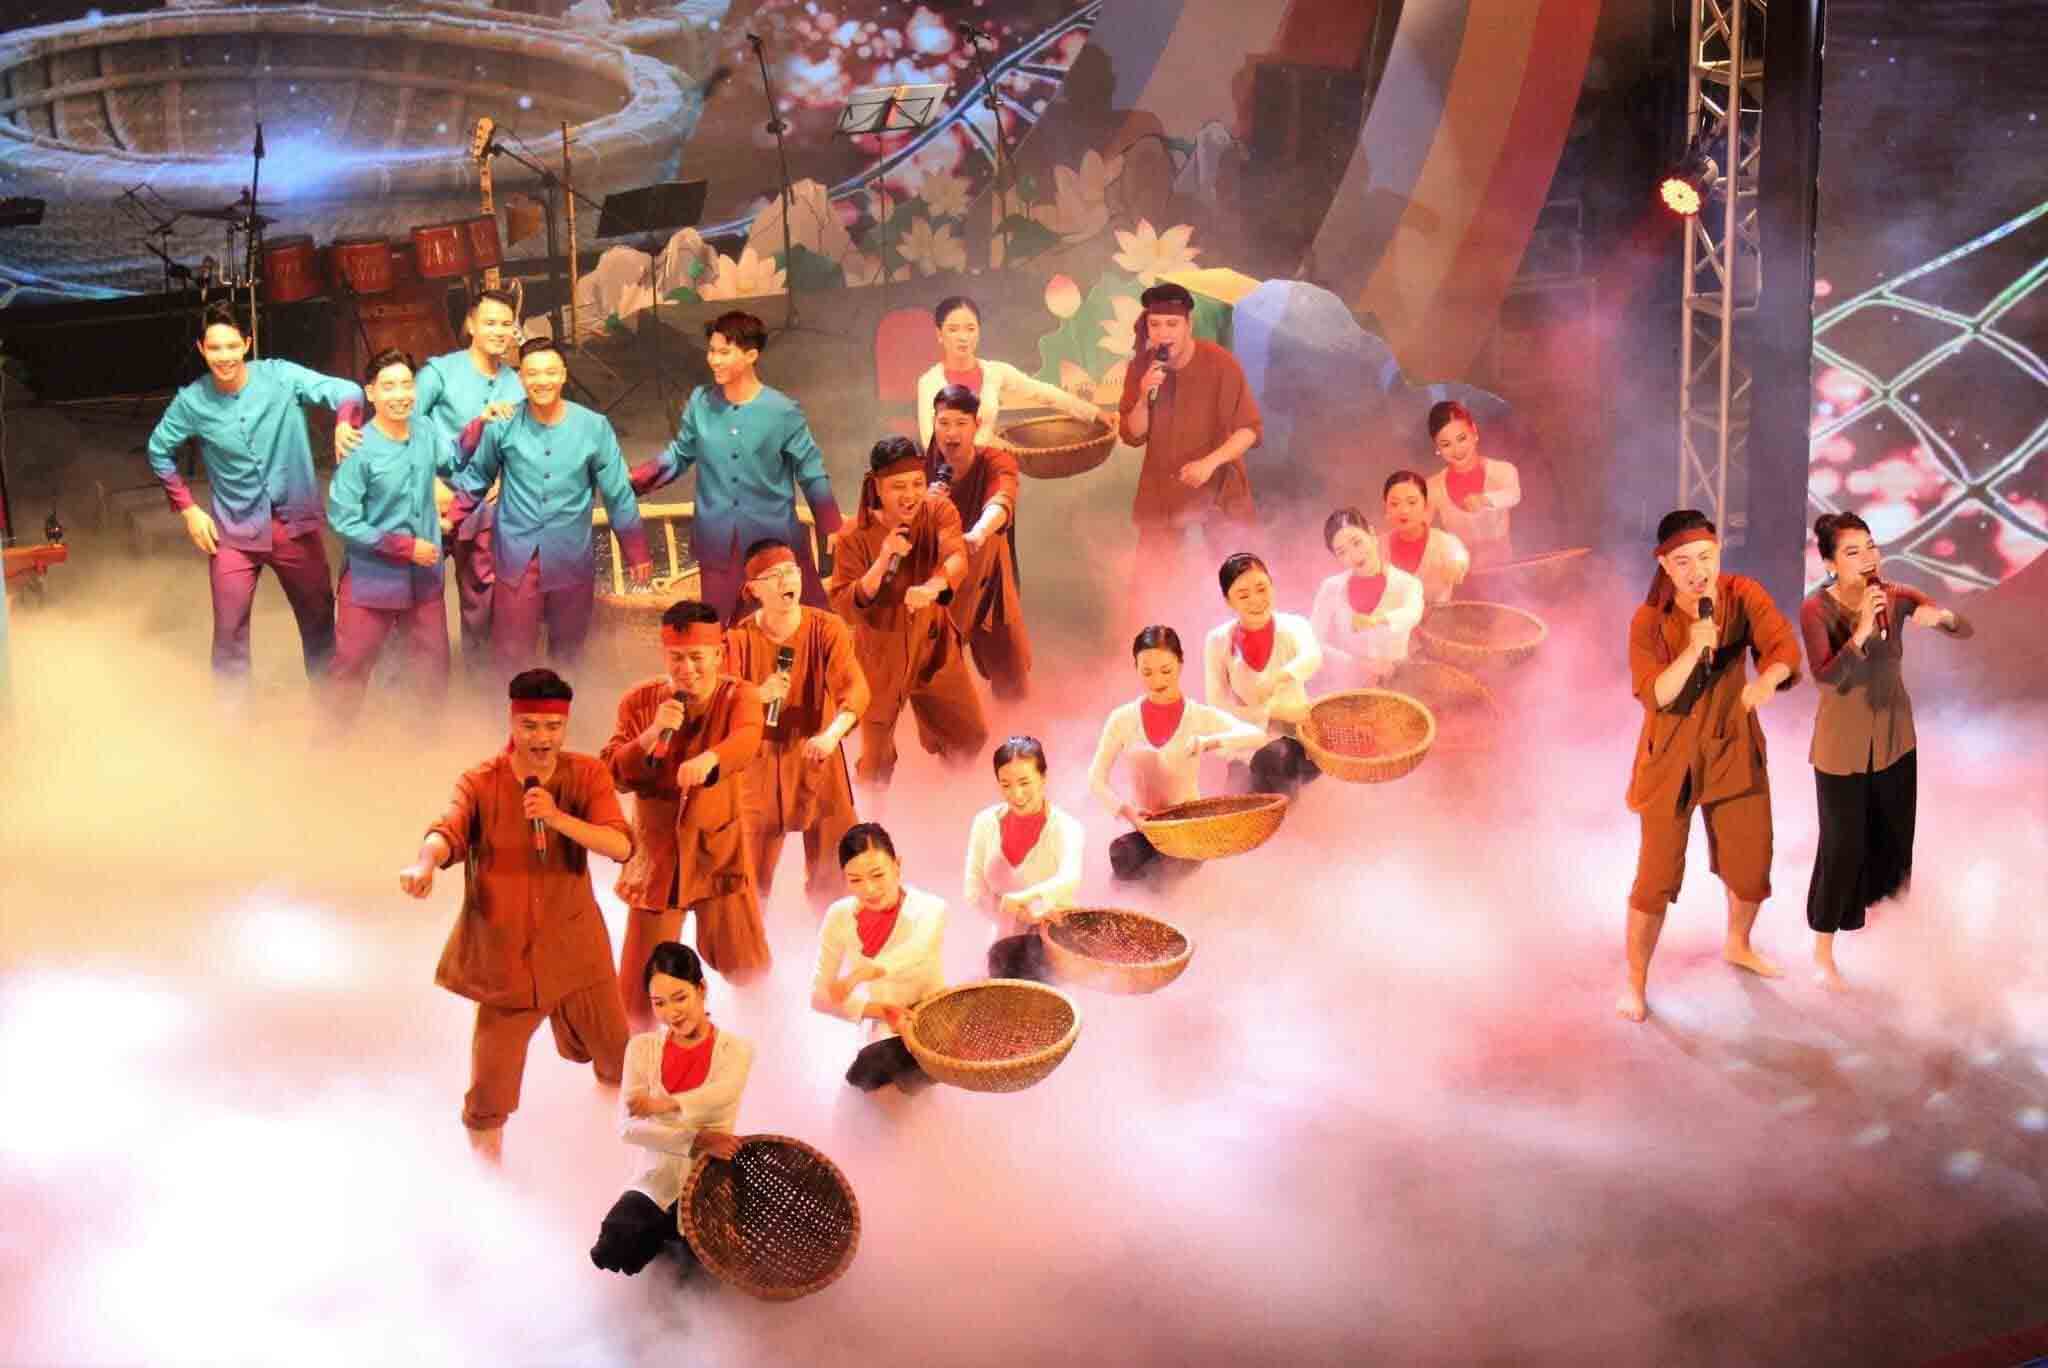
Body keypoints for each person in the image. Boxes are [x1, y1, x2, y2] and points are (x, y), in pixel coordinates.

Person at [398, 668, 633, 1161]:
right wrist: (424, 864)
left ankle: (606, 1156)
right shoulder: (480, 781)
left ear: (565, 725)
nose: (541, 738)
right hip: (505, 960)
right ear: (512, 722)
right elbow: (447, 830)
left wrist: (557, 818)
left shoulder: (587, 775)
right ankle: (488, 1183)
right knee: (489, 1094)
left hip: (577, 951)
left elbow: (620, 845)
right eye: (530, 726)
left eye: (552, 727)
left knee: (620, 1062)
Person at [1619, 510, 1802, 1024]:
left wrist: (1767, 681)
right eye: (1683, 561)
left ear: (1719, 551)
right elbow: (1655, 693)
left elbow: (1782, 645)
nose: (1697, 571)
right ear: (1664, 564)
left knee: (1751, 866)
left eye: (1705, 557)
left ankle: (1738, 943)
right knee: (1654, 880)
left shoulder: (1742, 595)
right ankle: (1635, 982)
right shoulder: (1648, 619)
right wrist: (1694, 649)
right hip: (1669, 759)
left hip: (1732, 747)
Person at [144, 301, 363, 677]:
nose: (224, 356)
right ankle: (233, 715)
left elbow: (349, 391)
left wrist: (343, 422)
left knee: (319, 623)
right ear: (201, 349)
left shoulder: (280, 376)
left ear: (247, 343)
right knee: (228, 634)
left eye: (232, 346)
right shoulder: (192, 401)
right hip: (233, 532)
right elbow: (158, 450)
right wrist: (189, 510)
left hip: (295, 526)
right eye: (215, 348)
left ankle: (329, 709)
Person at [1800, 512, 1969, 990]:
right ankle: (1823, 952)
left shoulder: (1895, 597)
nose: (1867, 558)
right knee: (1842, 846)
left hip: (1895, 739)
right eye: (1852, 551)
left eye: (1870, 547)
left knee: (1895, 841)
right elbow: (1827, 678)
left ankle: (1893, 945)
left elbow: (1960, 627)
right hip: (1842, 744)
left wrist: (1943, 618)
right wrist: (1858, 632)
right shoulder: (1815, 609)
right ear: (1830, 563)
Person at [337, 288, 525, 666]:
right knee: (401, 586)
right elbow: (401, 421)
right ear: (470, 324)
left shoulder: (516, 383)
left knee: (482, 594)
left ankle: (476, 675)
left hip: (482, 503)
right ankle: (396, 676)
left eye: (506, 324)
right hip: (427, 496)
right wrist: (430, 483)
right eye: (489, 322)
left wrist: (505, 478)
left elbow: (519, 443)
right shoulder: (439, 372)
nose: (498, 331)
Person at [602, 600, 768, 1019]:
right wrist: (651, 734)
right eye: (676, 658)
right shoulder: (639, 701)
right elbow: (613, 773)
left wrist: (710, 760)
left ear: (718, 654)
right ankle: (636, 1054)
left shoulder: (739, 696)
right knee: (638, 992)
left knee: (748, 967)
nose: (687, 668)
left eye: (697, 657)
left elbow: (747, 739)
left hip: (718, 855)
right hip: (656, 860)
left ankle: (769, 1034)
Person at [446, 337, 651, 672]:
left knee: (569, 655)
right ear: (521, 378)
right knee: (511, 655)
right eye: (532, 374)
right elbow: (476, 479)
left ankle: (566, 703)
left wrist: (636, 550)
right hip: (516, 557)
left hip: (571, 557)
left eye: (550, 372)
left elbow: (618, 493)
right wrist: (449, 521)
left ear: (564, 374)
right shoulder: (503, 425)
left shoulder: (594, 427)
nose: (542, 381)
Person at [629, 311, 845, 620]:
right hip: (717, 542)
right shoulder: (700, 403)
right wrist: (632, 481)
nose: (714, 360)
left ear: (751, 355)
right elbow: (679, 455)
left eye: (724, 352)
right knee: (722, 628)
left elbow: (811, 473)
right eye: (711, 351)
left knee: (797, 623)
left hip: (774, 542)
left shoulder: (783, 411)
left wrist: (831, 524)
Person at [826, 437, 989, 787]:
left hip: (933, 642)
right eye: (898, 486)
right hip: (880, 651)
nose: (911, 495)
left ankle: (950, 798)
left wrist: (934, 585)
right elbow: (844, 603)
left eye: (917, 483)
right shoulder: (853, 535)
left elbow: (956, 556)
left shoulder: (938, 510)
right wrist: (884, 558)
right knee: (876, 759)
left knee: (969, 734)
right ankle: (873, 815)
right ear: (877, 487)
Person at [590, 942, 752, 1280]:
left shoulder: (736, 1050)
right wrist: (697, 1140)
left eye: (680, 998)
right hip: (655, 1182)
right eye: (659, 1003)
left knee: (697, 1281)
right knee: (613, 1247)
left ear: (701, 989)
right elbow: (628, 1127)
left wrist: (665, 1104)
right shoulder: (642, 1049)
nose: (671, 1013)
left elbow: (720, 1094)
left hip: (708, 1187)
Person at [725, 539, 869, 905]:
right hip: (757, 765)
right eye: (773, 575)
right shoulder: (738, 639)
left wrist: (832, 735)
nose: (786, 581)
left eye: (791, 571)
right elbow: (719, 702)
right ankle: (752, 939)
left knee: (834, 870)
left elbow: (854, 688)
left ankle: (834, 931)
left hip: (817, 754)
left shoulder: (826, 628)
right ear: (753, 590)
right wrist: (757, 696)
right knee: (748, 879)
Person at [323, 349, 451, 718]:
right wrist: (404, 547)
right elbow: (343, 519)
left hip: (424, 579)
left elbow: (453, 460)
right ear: (371, 392)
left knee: (433, 670)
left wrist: (483, 424)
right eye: (389, 386)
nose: (400, 394)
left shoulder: (425, 430)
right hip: (372, 580)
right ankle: (333, 742)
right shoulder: (358, 448)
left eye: (407, 385)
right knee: (351, 668)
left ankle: (425, 740)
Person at [1088, 625, 1267, 883]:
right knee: (1122, 855)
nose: (1157, 681)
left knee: (1165, 871)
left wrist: (1208, 743)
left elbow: (1256, 735)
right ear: (1135, 668)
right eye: (1147, 672)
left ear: (1180, 665)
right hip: (1147, 830)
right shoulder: (1122, 718)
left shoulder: (1198, 716)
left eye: (1166, 671)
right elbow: (1095, 779)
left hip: (1189, 829)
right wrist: (1128, 813)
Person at [1115, 281, 1261, 583]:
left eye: (1172, 324)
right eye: (1155, 324)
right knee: (1151, 584)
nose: (1163, 333)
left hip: (1220, 491)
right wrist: (1143, 397)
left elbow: (1248, 430)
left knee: (1239, 580)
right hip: (1162, 493)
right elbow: (1133, 435)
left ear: (1188, 325)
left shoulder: (1221, 363)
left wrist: (1209, 463)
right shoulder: (1141, 367)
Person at [811, 823, 947, 1093]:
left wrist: (859, 975)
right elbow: (819, 996)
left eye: (877, 875)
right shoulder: (839, 916)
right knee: (869, 1082)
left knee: (914, 1081)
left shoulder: (931, 909)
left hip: (931, 1019)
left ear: (897, 866)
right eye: (855, 880)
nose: (869, 889)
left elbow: (915, 951)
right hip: (882, 1027)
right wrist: (882, 1011)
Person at [925, 383, 1032, 699]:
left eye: (961, 423)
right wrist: (924, 505)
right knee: (936, 676)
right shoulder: (920, 469)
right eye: (944, 423)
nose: (951, 433)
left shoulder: (995, 461)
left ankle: (1016, 725)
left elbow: (1002, 499)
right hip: (939, 581)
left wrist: (979, 533)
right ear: (933, 424)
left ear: (977, 425)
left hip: (989, 576)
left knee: (1010, 671)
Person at [1203, 552, 1325, 798]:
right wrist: (1270, 712)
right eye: (1243, 595)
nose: (1256, 600)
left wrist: (1280, 677)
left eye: (1262, 588)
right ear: (1228, 601)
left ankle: (1290, 814)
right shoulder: (1218, 640)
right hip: (1247, 744)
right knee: (1237, 799)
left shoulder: (1294, 625)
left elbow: (1312, 656)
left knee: (1276, 760)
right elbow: (1217, 705)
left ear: (1272, 585)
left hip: (1296, 740)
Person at [915, 295, 1108, 448]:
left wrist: (1095, 414)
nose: (963, 337)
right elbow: (930, 442)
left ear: (979, 332)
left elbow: (1045, 393)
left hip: (993, 474)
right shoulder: (930, 382)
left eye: (970, 329)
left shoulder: (994, 372)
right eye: (953, 329)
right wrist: (991, 447)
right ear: (939, 334)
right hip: (949, 478)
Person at [965, 736, 1085, 981]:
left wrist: (1024, 900)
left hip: (1055, 944)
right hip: (1003, 945)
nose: (1016, 794)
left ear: (1043, 777)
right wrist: (1021, 914)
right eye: (1005, 785)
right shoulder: (984, 822)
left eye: (1024, 782)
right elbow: (973, 889)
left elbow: (1069, 878)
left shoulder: (1067, 827)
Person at [1309, 507, 1425, 687]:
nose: (1354, 556)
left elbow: (1412, 613)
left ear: (1371, 534)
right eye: (1342, 552)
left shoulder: (1407, 583)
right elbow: (1313, 641)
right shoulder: (1331, 587)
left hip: (1399, 682)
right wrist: (1355, 663)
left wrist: (1377, 620)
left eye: (1357, 542)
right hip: (1351, 684)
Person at [1423, 401, 1520, 570]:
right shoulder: (1432, 487)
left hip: (1506, 574)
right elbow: (1419, 530)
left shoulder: (1503, 471)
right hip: (1462, 578)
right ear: (1437, 447)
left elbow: (1513, 495)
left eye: (1462, 438)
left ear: (1474, 431)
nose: (1457, 450)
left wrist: (1485, 500)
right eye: (1446, 444)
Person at [1380, 470, 1470, 607]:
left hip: (1438, 618)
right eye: (1395, 504)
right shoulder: (1377, 547)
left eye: (1412, 502)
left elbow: (1459, 558)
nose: (1404, 510)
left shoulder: (1445, 542)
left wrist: (1456, 568)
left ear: (1426, 506)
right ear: (1386, 508)